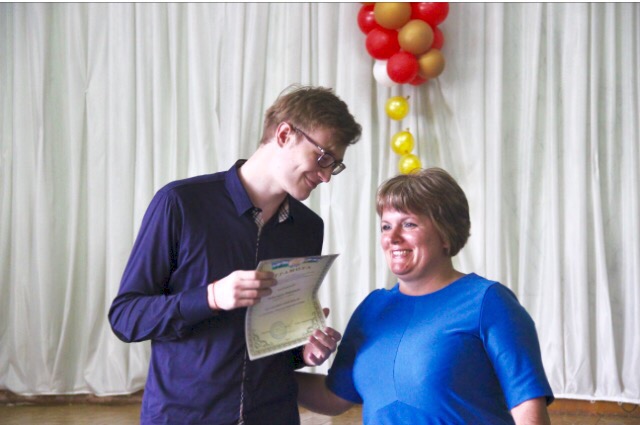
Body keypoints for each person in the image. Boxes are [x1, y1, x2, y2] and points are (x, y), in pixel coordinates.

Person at [108, 85, 361, 425]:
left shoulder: (308, 228)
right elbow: (126, 318)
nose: (327, 176)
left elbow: (271, 347)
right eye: (323, 157)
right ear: (284, 134)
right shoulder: (180, 203)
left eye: (335, 165)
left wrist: (304, 350)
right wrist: (211, 297)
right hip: (183, 417)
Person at [296, 167, 554, 425]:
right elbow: (334, 398)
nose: (393, 238)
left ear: (445, 233)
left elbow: (528, 408)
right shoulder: (373, 307)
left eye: (409, 224)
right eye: (386, 226)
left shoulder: (488, 302)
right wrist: (271, 371)